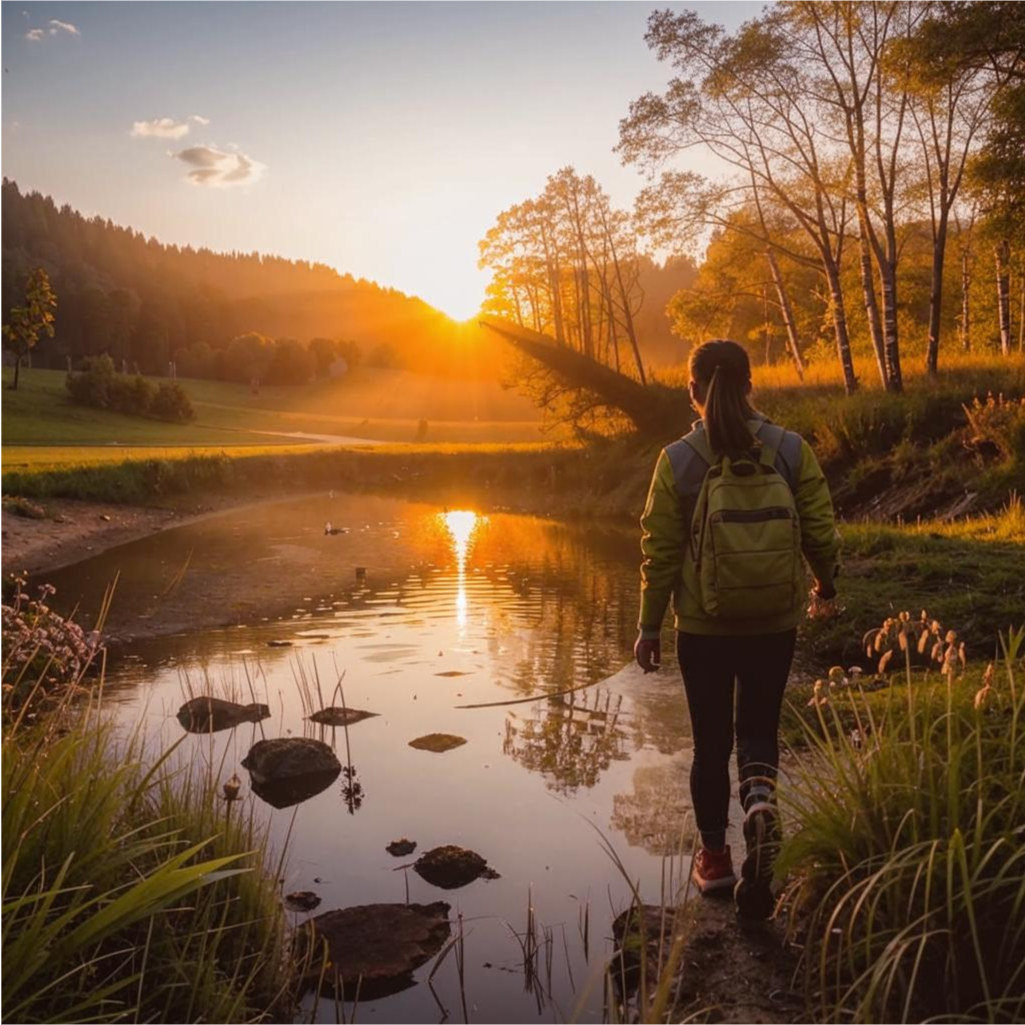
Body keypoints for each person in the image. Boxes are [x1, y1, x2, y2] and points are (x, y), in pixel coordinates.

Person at [634, 339, 840, 919]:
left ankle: (717, 862)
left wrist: (649, 627)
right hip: (774, 621)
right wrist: (825, 586)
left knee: (710, 745)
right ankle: (759, 808)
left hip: (703, 628)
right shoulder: (791, 450)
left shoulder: (677, 460)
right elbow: (820, 530)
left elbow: (662, 552)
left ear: (693, 390)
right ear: (752, 386)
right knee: (758, 732)